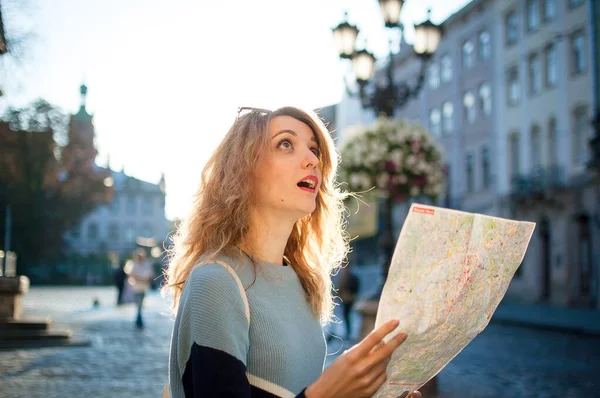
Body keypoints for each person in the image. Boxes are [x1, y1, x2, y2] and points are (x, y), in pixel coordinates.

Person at [164, 107, 421, 398]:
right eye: (285, 144)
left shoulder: (303, 282)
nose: (312, 159)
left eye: (314, 149)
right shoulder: (216, 281)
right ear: (243, 169)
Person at [124, 248, 154, 329]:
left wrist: (142, 279)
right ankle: (139, 320)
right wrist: (141, 278)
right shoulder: (133, 265)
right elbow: (131, 275)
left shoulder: (146, 265)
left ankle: (138, 320)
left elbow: (150, 276)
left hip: (143, 288)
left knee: (140, 305)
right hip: (136, 288)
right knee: (138, 305)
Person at [338, 265, 361, 341]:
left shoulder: (352, 277)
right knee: (345, 316)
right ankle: (347, 332)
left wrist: (352, 296)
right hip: (344, 299)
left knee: (347, 316)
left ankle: (348, 333)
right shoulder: (343, 277)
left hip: (349, 299)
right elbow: (340, 288)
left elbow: (355, 288)